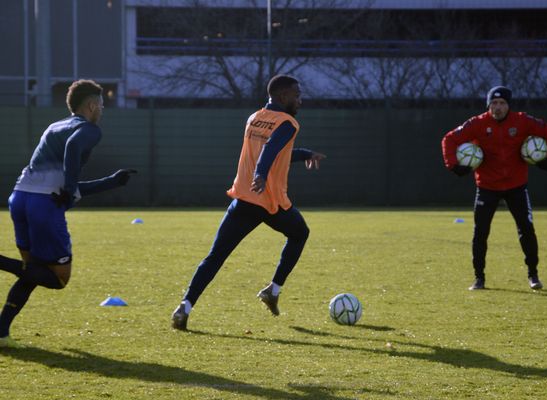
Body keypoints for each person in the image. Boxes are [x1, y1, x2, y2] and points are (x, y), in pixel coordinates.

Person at [171, 74, 326, 330]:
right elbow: (270, 149)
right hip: (268, 201)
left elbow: (276, 152)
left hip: (243, 199)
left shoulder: (254, 118)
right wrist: (261, 174)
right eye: (297, 95)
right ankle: (273, 290)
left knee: (215, 257)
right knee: (300, 234)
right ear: (283, 96)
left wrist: (306, 154)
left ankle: (184, 307)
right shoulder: (287, 123)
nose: (301, 100)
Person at [0, 79, 137, 348]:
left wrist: (111, 181)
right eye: (101, 104)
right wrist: (70, 187)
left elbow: (59, 187)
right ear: (91, 105)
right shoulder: (89, 130)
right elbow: (72, 155)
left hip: (20, 198)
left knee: (32, 271)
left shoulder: (54, 126)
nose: (102, 109)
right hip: (43, 207)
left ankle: (1, 331)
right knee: (57, 278)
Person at [441, 86, 547, 291]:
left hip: (517, 186)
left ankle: (533, 275)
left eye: (502, 103)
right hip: (487, 186)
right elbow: (449, 139)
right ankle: (479, 278)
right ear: (488, 105)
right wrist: (453, 165)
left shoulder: (522, 121)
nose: (498, 107)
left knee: (526, 230)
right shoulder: (477, 124)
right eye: (494, 103)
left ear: (508, 105)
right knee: (480, 232)